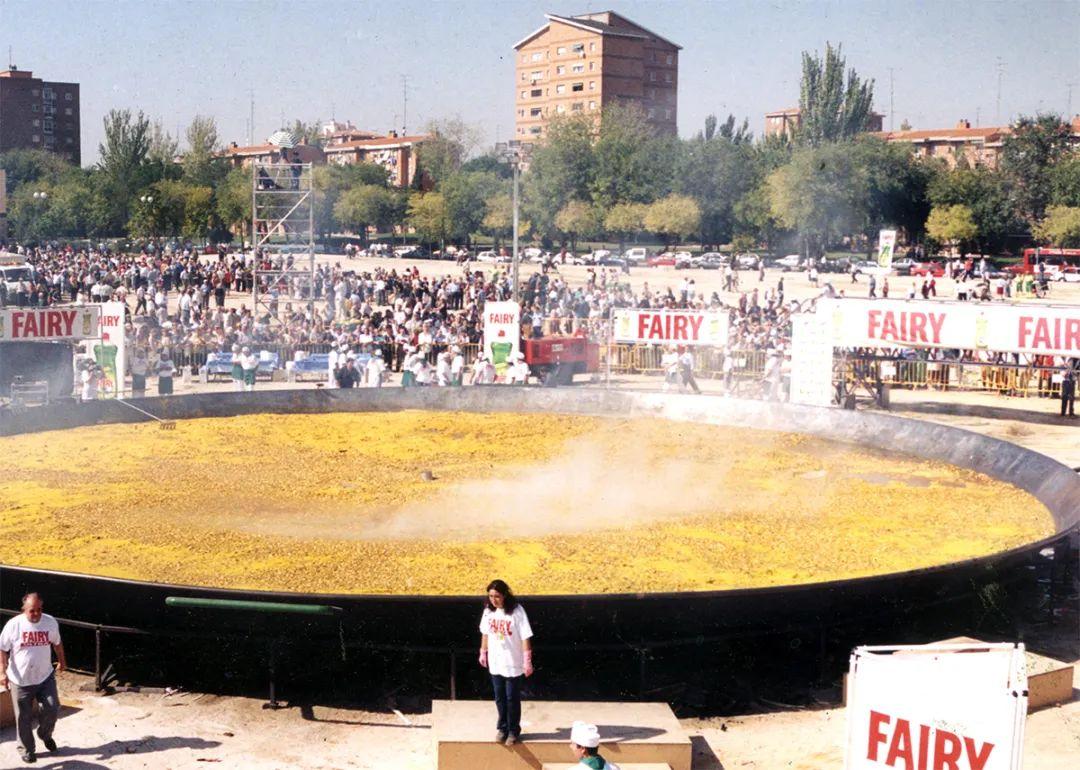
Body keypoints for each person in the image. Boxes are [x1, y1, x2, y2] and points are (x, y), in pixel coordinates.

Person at [0, 593, 66, 764]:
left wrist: (62, 661)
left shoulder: (49, 621)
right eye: (32, 611)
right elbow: (2, 648)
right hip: (20, 680)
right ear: (24, 610)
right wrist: (2, 672)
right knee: (23, 717)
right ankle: (27, 750)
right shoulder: (14, 625)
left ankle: (45, 734)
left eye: (39, 610)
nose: (36, 614)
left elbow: (57, 643)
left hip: (44, 676)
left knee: (52, 707)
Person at [479, 579, 533, 746]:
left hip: (513, 662)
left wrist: (527, 660)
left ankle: (513, 730)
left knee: (511, 697)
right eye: (491, 596)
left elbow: (525, 636)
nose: (494, 600)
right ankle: (502, 728)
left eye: (497, 596)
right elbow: (485, 633)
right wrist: (483, 651)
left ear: (505, 595)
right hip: (496, 662)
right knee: (499, 697)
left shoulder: (517, 611)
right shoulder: (488, 611)